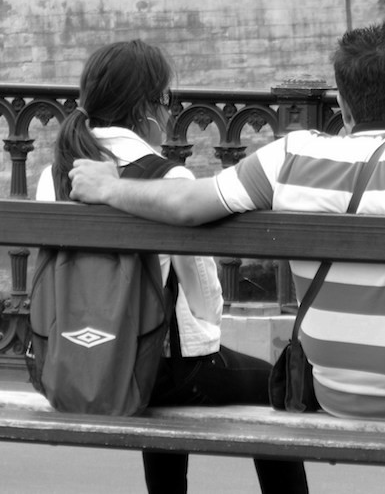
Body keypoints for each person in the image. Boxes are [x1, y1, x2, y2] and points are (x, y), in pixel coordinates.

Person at [67, 23, 385, 493]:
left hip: (334, 390)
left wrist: (111, 188)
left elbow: (184, 205)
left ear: (340, 100)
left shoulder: (290, 155)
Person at [36, 40, 308, 494]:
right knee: (271, 385)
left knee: (154, 354)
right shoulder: (170, 179)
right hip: (153, 371)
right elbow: (204, 304)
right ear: (145, 109)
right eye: (166, 102)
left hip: (73, 361)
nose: (169, 114)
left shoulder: (57, 172)